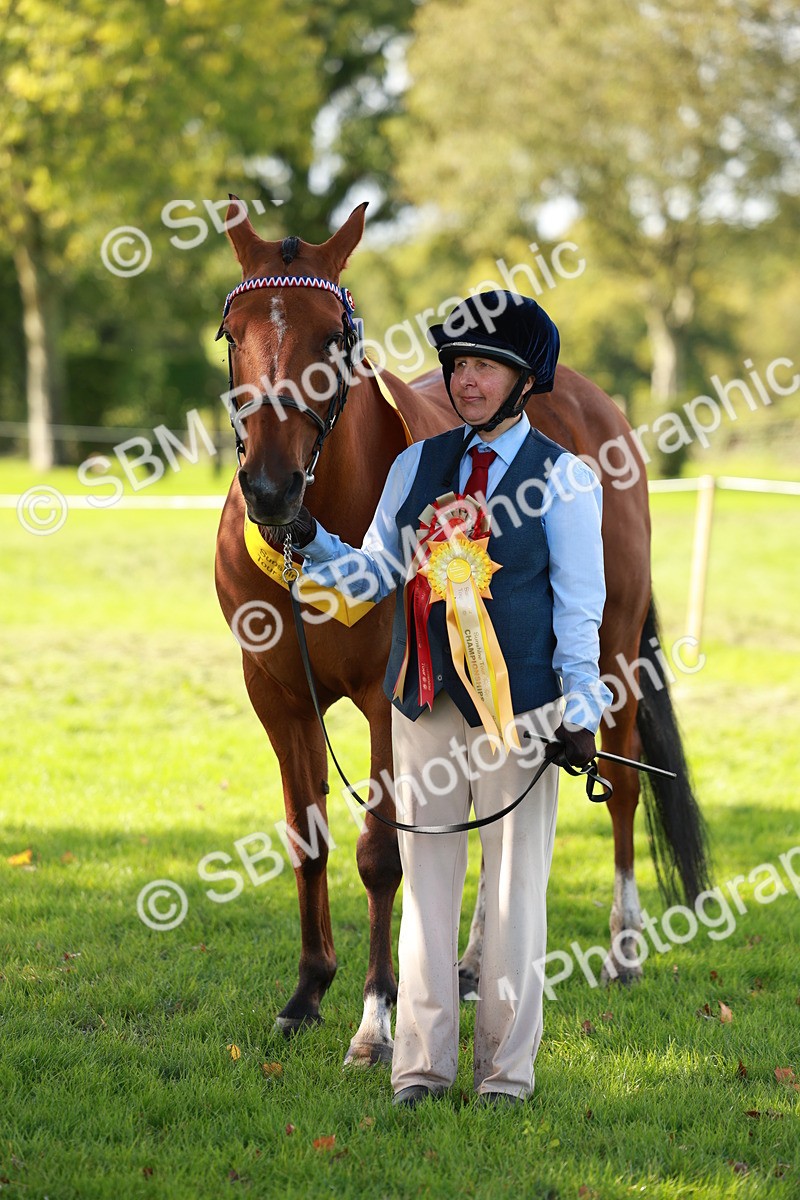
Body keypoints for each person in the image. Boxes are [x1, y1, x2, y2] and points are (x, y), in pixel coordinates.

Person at [291, 289, 612, 1109]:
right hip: (422, 700)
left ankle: (506, 1072)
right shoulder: (414, 468)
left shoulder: (566, 480)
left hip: (523, 712)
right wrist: (307, 542)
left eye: (486, 368)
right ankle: (421, 1068)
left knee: (513, 894)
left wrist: (580, 714)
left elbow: (580, 609)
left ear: (524, 378)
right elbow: (371, 577)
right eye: (459, 366)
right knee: (427, 887)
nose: (466, 383)